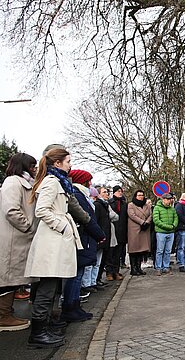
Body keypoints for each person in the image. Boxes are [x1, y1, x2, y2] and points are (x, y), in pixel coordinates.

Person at [25, 148, 82, 348]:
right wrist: (62, 225)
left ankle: (45, 327)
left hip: (55, 241)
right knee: (47, 288)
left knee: (51, 286)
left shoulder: (57, 181)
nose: (70, 164)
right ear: (57, 163)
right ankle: (38, 333)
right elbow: (42, 210)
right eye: (68, 161)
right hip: (51, 242)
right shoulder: (51, 182)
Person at [0, 153, 37, 332]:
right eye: (32, 166)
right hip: (14, 239)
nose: (35, 169)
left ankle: (6, 313)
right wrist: (28, 227)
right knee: (8, 278)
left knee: (12, 278)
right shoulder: (13, 182)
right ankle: (3, 316)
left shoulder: (22, 183)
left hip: (19, 239)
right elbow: (11, 210)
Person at [62, 169, 105, 323]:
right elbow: (86, 218)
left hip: (85, 238)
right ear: (83, 181)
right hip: (83, 238)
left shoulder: (79, 195)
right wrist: (99, 234)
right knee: (75, 275)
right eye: (89, 180)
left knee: (78, 274)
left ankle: (74, 305)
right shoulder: (79, 196)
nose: (91, 183)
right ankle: (70, 307)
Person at [93, 186, 117, 288]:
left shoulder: (105, 205)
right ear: (98, 194)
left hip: (106, 235)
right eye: (104, 192)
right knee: (97, 261)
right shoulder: (98, 205)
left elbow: (115, 216)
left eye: (107, 192)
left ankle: (97, 279)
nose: (107, 194)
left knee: (102, 260)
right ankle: (94, 281)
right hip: (101, 236)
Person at [128, 190, 153, 275]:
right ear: (135, 196)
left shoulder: (147, 205)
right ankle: (133, 269)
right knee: (134, 249)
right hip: (135, 229)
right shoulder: (131, 205)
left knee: (141, 250)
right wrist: (142, 222)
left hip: (144, 229)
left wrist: (147, 222)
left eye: (142, 195)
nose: (141, 197)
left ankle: (139, 268)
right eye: (139, 195)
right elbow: (132, 215)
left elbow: (150, 215)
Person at [152, 192, 178, 275]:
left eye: (170, 199)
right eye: (167, 199)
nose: (169, 201)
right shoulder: (157, 208)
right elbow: (156, 220)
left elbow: (176, 218)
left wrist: (174, 225)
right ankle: (158, 267)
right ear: (163, 199)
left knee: (168, 251)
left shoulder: (172, 209)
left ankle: (165, 267)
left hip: (171, 233)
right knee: (160, 251)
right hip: (161, 232)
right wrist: (168, 227)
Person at [108, 185, 127, 280]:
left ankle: (116, 271)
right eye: (118, 191)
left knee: (118, 254)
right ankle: (109, 272)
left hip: (122, 231)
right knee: (110, 253)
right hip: (112, 230)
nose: (120, 192)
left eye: (121, 191)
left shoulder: (124, 203)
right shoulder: (110, 202)